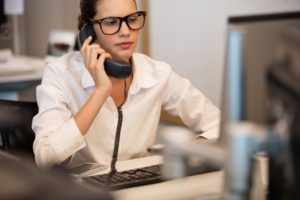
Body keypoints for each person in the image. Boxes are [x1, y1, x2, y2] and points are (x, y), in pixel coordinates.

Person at [32, 0, 220, 169]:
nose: (125, 31)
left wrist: (190, 149)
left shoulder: (158, 74)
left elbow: (219, 124)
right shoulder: (61, 73)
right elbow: (46, 158)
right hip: (83, 191)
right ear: (88, 31)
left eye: (132, 19)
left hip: (140, 187)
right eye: (111, 22)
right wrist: (100, 92)